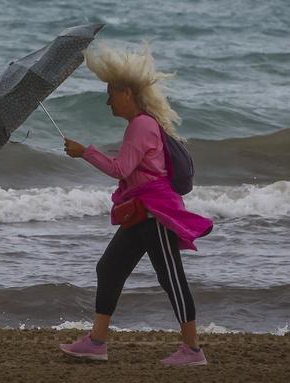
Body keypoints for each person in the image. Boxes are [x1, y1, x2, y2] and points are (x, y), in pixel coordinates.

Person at [59, 43, 213, 366]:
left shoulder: (142, 125)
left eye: (110, 94)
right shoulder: (140, 125)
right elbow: (130, 171)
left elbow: (120, 169)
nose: (107, 101)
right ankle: (97, 342)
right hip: (140, 213)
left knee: (171, 279)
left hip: (155, 214)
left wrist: (84, 152)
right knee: (109, 268)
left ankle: (193, 350)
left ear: (126, 93)